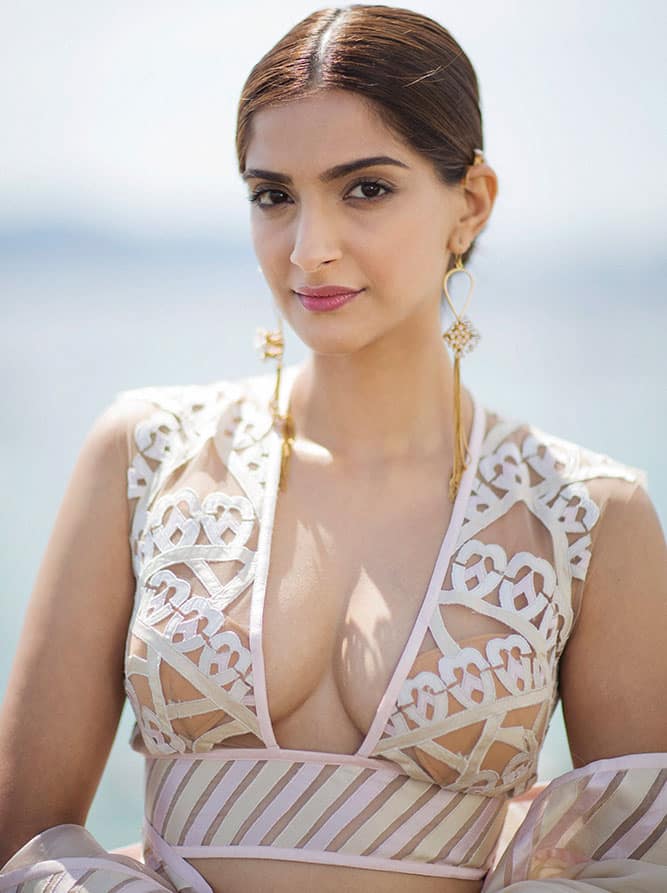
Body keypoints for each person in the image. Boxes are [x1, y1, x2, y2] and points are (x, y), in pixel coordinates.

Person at [1, 5, 665, 893]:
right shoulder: (144, 452)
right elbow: (22, 838)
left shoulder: (589, 512)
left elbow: (635, 866)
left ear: (469, 203)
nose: (309, 250)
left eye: (365, 189)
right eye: (274, 196)